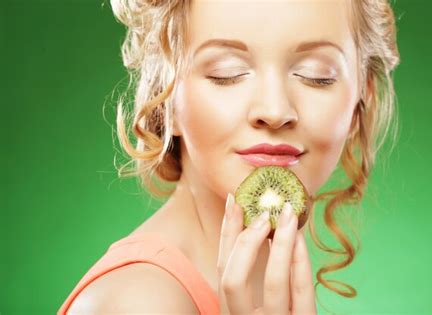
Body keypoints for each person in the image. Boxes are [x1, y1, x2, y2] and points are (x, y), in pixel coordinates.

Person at [58, 0, 400, 314]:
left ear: (360, 100)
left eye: (316, 75)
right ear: (165, 96)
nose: (275, 110)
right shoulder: (139, 302)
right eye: (227, 73)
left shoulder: (269, 281)